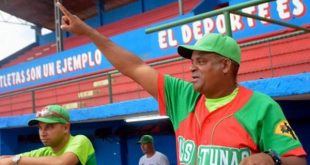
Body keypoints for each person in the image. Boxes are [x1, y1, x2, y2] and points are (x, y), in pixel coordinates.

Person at [56, 2, 307, 165]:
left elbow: (296, 160)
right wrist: (89, 32)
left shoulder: (261, 106)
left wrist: (271, 159)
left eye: (201, 60)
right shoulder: (183, 96)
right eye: (192, 61)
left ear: (226, 66)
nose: (192, 66)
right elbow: (134, 66)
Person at [0, 104, 97, 165]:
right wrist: (8, 160)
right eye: (40, 128)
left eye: (49, 127)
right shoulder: (45, 152)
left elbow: (61, 163)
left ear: (66, 128)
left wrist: (15, 161)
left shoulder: (80, 140)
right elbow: (7, 158)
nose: (43, 133)